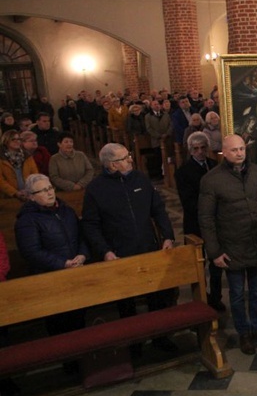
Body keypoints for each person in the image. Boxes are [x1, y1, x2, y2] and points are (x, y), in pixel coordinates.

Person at [81, 143, 178, 353]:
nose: (131, 160)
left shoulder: (140, 179)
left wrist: (168, 236)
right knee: (127, 303)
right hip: (119, 253)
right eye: (125, 158)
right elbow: (90, 225)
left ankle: (161, 337)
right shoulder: (96, 189)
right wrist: (105, 251)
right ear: (113, 165)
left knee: (157, 296)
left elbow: (158, 210)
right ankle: (134, 343)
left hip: (148, 247)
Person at [198, 134, 257, 355]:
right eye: (234, 150)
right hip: (231, 245)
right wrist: (214, 251)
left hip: (256, 242)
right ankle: (244, 332)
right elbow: (206, 219)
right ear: (224, 152)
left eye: (242, 149)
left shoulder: (256, 172)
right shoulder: (212, 179)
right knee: (236, 293)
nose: (239, 153)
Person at [15, 173, 88, 336]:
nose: (49, 193)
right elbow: (31, 252)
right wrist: (62, 263)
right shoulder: (27, 220)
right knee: (61, 327)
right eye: (42, 191)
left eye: (50, 188)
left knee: (80, 320)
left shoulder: (66, 210)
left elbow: (81, 236)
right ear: (31, 197)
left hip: (75, 274)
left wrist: (82, 254)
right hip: (50, 279)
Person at [175, 132, 224, 312]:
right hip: (195, 222)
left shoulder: (214, 166)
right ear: (190, 150)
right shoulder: (183, 172)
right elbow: (188, 201)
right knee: (198, 262)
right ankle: (201, 296)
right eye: (196, 149)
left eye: (203, 148)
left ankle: (216, 297)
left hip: (216, 223)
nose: (200, 152)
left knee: (216, 261)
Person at [0, 130, 38, 200]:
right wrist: (15, 192)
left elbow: (35, 174)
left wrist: (30, 190)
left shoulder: (27, 156)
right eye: (13, 139)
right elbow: (1, 181)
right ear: (6, 141)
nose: (17, 141)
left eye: (18, 139)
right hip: (8, 197)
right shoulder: (1, 158)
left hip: (28, 194)